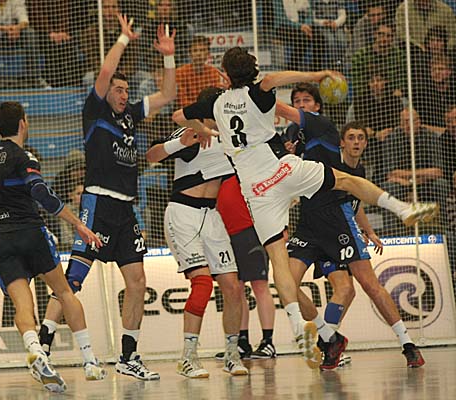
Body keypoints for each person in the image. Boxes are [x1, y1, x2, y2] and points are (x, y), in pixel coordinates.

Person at [172, 46, 437, 369]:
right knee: (346, 180)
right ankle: (402, 208)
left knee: (278, 261)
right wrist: (317, 74)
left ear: (224, 75)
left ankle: (299, 326)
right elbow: (273, 79)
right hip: (283, 170)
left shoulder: (215, 102)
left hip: (257, 190)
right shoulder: (260, 93)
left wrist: (205, 130)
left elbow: (178, 116)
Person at [38, 15, 176, 381]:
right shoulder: (95, 111)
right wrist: (123, 38)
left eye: (127, 90)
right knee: (73, 282)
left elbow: (167, 95)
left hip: (126, 209)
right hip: (97, 204)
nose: (124, 95)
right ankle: (43, 348)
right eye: (118, 90)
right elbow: (104, 72)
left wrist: (168, 56)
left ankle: (128, 357)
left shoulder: (130, 115)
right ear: (107, 92)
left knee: (137, 281)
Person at [283, 90, 426, 369]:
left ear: (366, 143)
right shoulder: (320, 145)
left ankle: (407, 343)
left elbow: (355, 202)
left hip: (338, 228)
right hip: (309, 225)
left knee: (360, 286)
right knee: (289, 282)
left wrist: (369, 231)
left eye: (361, 138)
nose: (356, 142)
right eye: (351, 137)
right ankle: (329, 338)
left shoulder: (359, 172)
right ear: (341, 142)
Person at [0, 101, 105, 393]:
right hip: (29, 231)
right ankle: (90, 362)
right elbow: (40, 192)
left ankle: (36, 351)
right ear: (23, 123)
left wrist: (1, 216)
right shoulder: (25, 156)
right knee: (64, 292)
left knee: (22, 304)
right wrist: (78, 224)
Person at [145, 87, 247, 378]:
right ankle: (188, 357)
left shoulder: (232, 138)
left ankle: (232, 354)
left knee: (233, 287)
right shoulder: (192, 132)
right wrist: (179, 143)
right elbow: (151, 156)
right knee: (202, 283)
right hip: (183, 214)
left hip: (212, 216)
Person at [214, 174, 277, 361]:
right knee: (237, 288)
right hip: (227, 235)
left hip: (251, 232)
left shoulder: (245, 168)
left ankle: (268, 342)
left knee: (260, 286)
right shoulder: (217, 173)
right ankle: (242, 342)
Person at [0, 0, 49, 88]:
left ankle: (34, 77)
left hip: (12, 35)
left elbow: (24, 20)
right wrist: (4, 28)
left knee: (30, 32)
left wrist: (17, 28)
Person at [176, 35, 224, 108]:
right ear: (190, 53)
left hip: (207, 110)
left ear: (208, 53)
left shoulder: (213, 73)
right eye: (195, 50)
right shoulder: (180, 72)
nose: (198, 54)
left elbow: (215, 98)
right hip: (187, 111)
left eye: (202, 50)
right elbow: (181, 100)